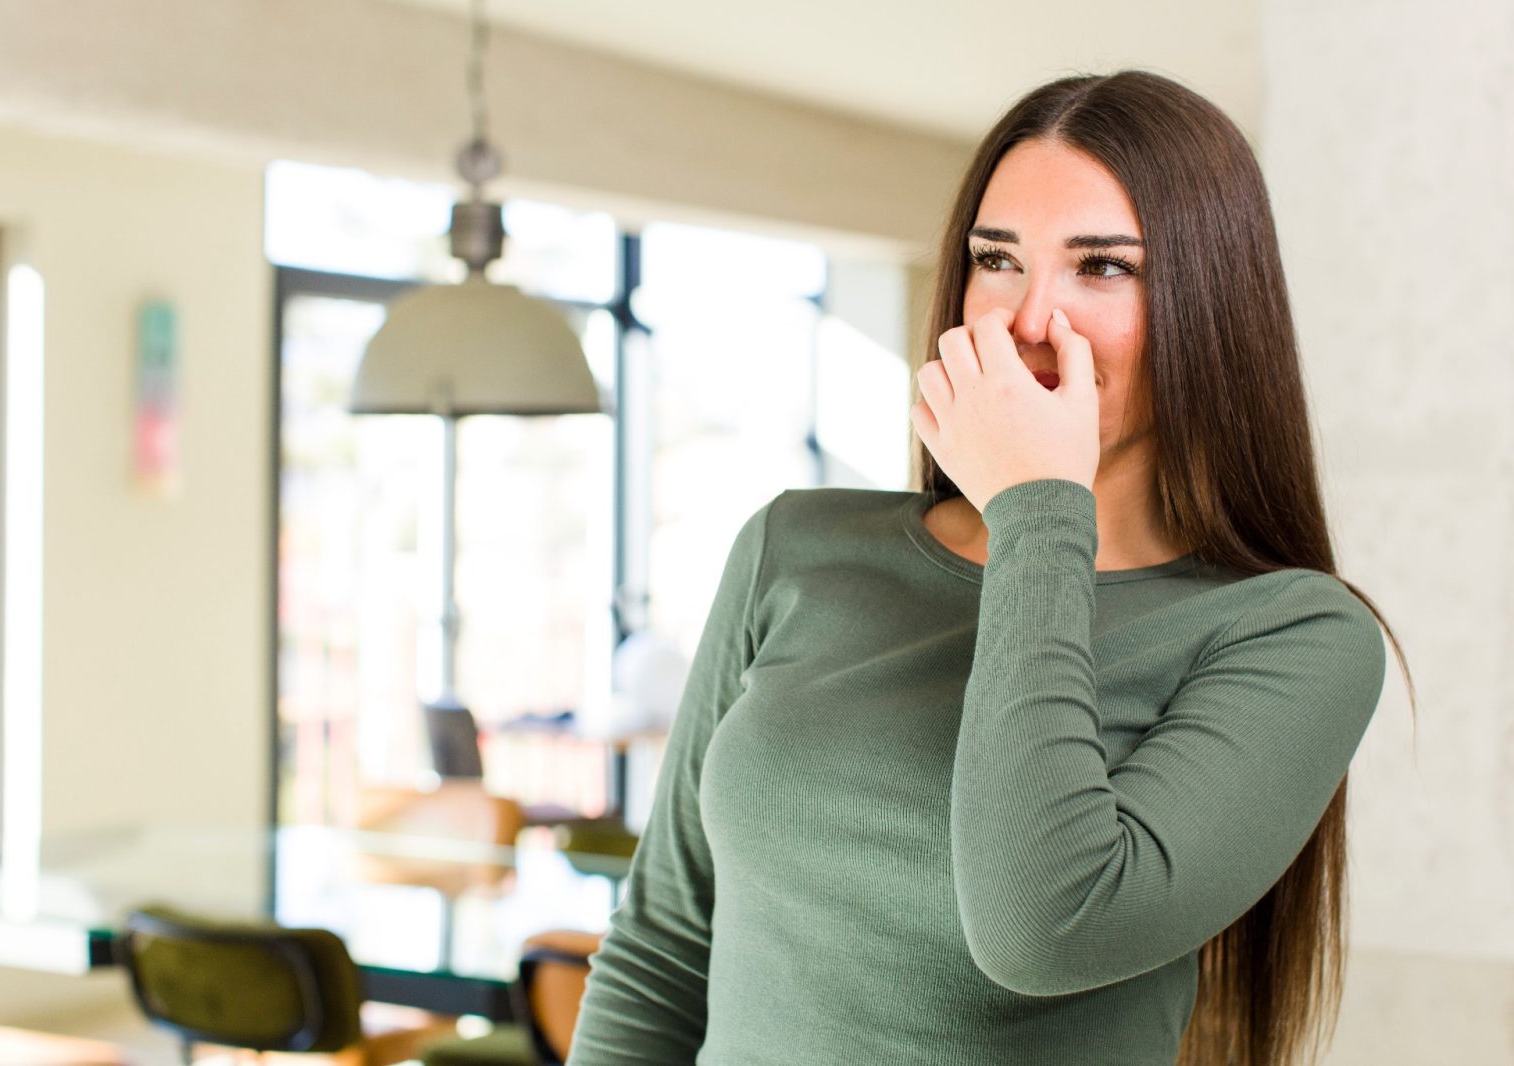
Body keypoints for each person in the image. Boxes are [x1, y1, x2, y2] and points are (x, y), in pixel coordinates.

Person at [567, 70, 1416, 1066]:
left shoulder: (1293, 634)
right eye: (995, 258)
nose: (1024, 318)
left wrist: (1038, 513)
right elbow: (661, 951)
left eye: (1101, 267)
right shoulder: (794, 548)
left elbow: (1044, 929)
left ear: (1211, 301)